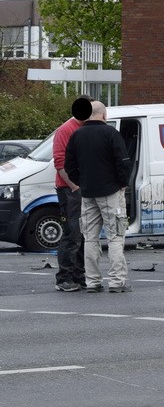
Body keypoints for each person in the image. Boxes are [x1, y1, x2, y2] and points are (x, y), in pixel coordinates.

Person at [64, 101, 133, 293]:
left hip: (87, 194)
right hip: (110, 192)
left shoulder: (76, 135)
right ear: (104, 115)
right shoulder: (111, 133)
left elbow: (69, 166)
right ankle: (116, 281)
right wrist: (121, 183)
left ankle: (93, 281)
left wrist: (82, 182)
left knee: (90, 238)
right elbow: (123, 162)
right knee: (115, 236)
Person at [52, 96, 94, 292]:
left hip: (80, 188)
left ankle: (78, 274)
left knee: (83, 234)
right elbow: (60, 163)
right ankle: (64, 277)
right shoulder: (66, 130)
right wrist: (75, 186)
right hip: (69, 189)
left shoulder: (84, 129)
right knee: (72, 233)